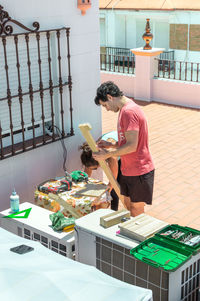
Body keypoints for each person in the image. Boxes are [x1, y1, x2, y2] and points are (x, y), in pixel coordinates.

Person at [93, 81, 155, 217]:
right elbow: (127, 141)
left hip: (139, 169)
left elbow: (132, 145)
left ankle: (139, 236)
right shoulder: (124, 111)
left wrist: (108, 154)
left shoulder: (129, 112)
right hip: (129, 169)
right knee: (128, 206)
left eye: (105, 105)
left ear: (109, 97)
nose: (107, 109)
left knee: (136, 210)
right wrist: (111, 145)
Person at [79, 131, 120, 211]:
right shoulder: (91, 153)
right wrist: (82, 185)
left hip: (121, 147)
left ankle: (114, 211)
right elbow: (86, 174)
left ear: (100, 161)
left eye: (95, 168)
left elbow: (113, 180)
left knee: (115, 188)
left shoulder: (111, 157)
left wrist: (106, 193)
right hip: (111, 142)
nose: (94, 170)